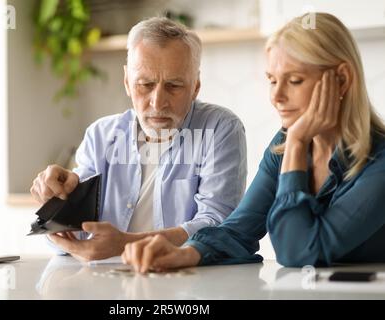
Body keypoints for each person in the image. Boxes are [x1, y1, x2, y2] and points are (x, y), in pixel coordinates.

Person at [122, 12, 385, 272]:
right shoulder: (285, 144)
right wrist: (185, 254)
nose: (277, 96)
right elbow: (238, 230)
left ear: (341, 80)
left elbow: (299, 251)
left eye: (294, 81)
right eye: (272, 80)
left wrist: (295, 143)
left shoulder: (376, 160)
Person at [30, 17, 247, 261]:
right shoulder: (101, 135)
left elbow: (217, 226)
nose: (158, 102)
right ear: (127, 82)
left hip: (188, 281)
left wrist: (125, 244)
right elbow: (73, 238)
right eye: (145, 84)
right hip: (106, 282)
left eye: (174, 86)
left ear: (195, 86)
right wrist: (55, 205)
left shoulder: (220, 128)